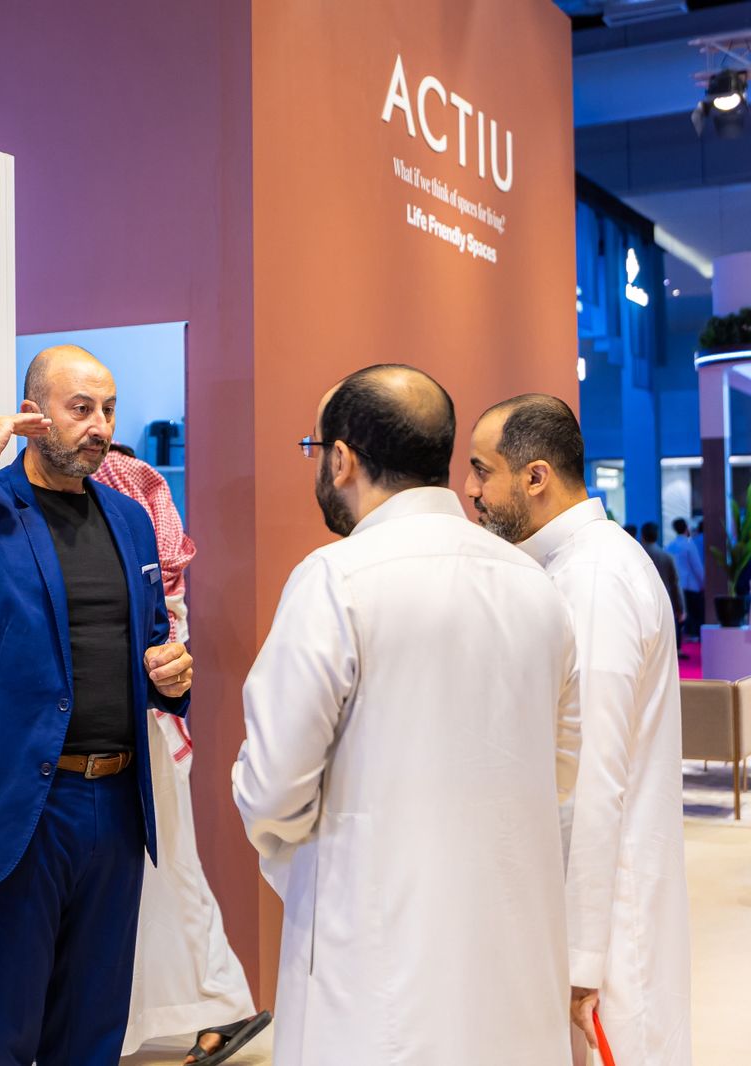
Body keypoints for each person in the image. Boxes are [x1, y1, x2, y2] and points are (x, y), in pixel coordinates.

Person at [232, 365, 579, 1065]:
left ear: (340, 458)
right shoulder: (537, 585)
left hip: (373, 954)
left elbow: (271, 789)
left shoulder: (336, 579)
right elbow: (563, 767)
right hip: (511, 948)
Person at [0, 345, 193, 1065]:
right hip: (14, 804)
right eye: (81, 408)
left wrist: (171, 676)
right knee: (3, 1034)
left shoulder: (129, 517)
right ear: (33, 413)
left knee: (93, 1032)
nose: (100, 426)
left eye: (108, 409)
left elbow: (149, 639)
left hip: (115, 803)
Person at [467, 395, 691, 1066]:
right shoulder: (576, 566)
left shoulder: (592, 577)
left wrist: (582, 957)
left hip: (606, 928)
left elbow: (592, 778)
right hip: (593, 909)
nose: (470, 490)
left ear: (535, 476)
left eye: (482, 470)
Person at [93, 445, 270, 1065]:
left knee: (170, 870)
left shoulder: (142, 535)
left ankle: (218, 1003)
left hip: (144, 734)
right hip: (119, 736)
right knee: (160, 878)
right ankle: (209, 1004)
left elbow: (164, 631)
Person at [640, 521, 685, 642]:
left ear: (642, 536)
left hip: (641, 605)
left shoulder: (635, 556)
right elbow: (675, 584)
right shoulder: (667, 557)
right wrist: (680, 608)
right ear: (657, 536)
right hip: (664, 604)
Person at [668, 517, 705, 639]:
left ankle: (684, 636)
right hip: (691, 585)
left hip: (677, 585)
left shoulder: (670, 546)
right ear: (686, 528)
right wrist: (703, 583)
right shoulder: (689, 545)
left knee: (681, 613)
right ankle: (694, 635)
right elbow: (697, 566)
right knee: (694, 613)